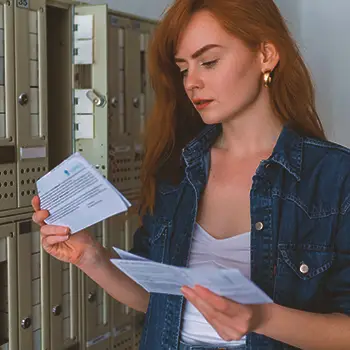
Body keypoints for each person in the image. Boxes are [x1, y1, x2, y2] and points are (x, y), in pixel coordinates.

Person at [32, 0, 350, 349]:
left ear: (266, 55)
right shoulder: (178, 169)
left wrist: (262, 318)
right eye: (184, 69)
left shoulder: (334, 177)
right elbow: (157, 300)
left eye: (209, 62)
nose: (192, 82)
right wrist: (88, 255)